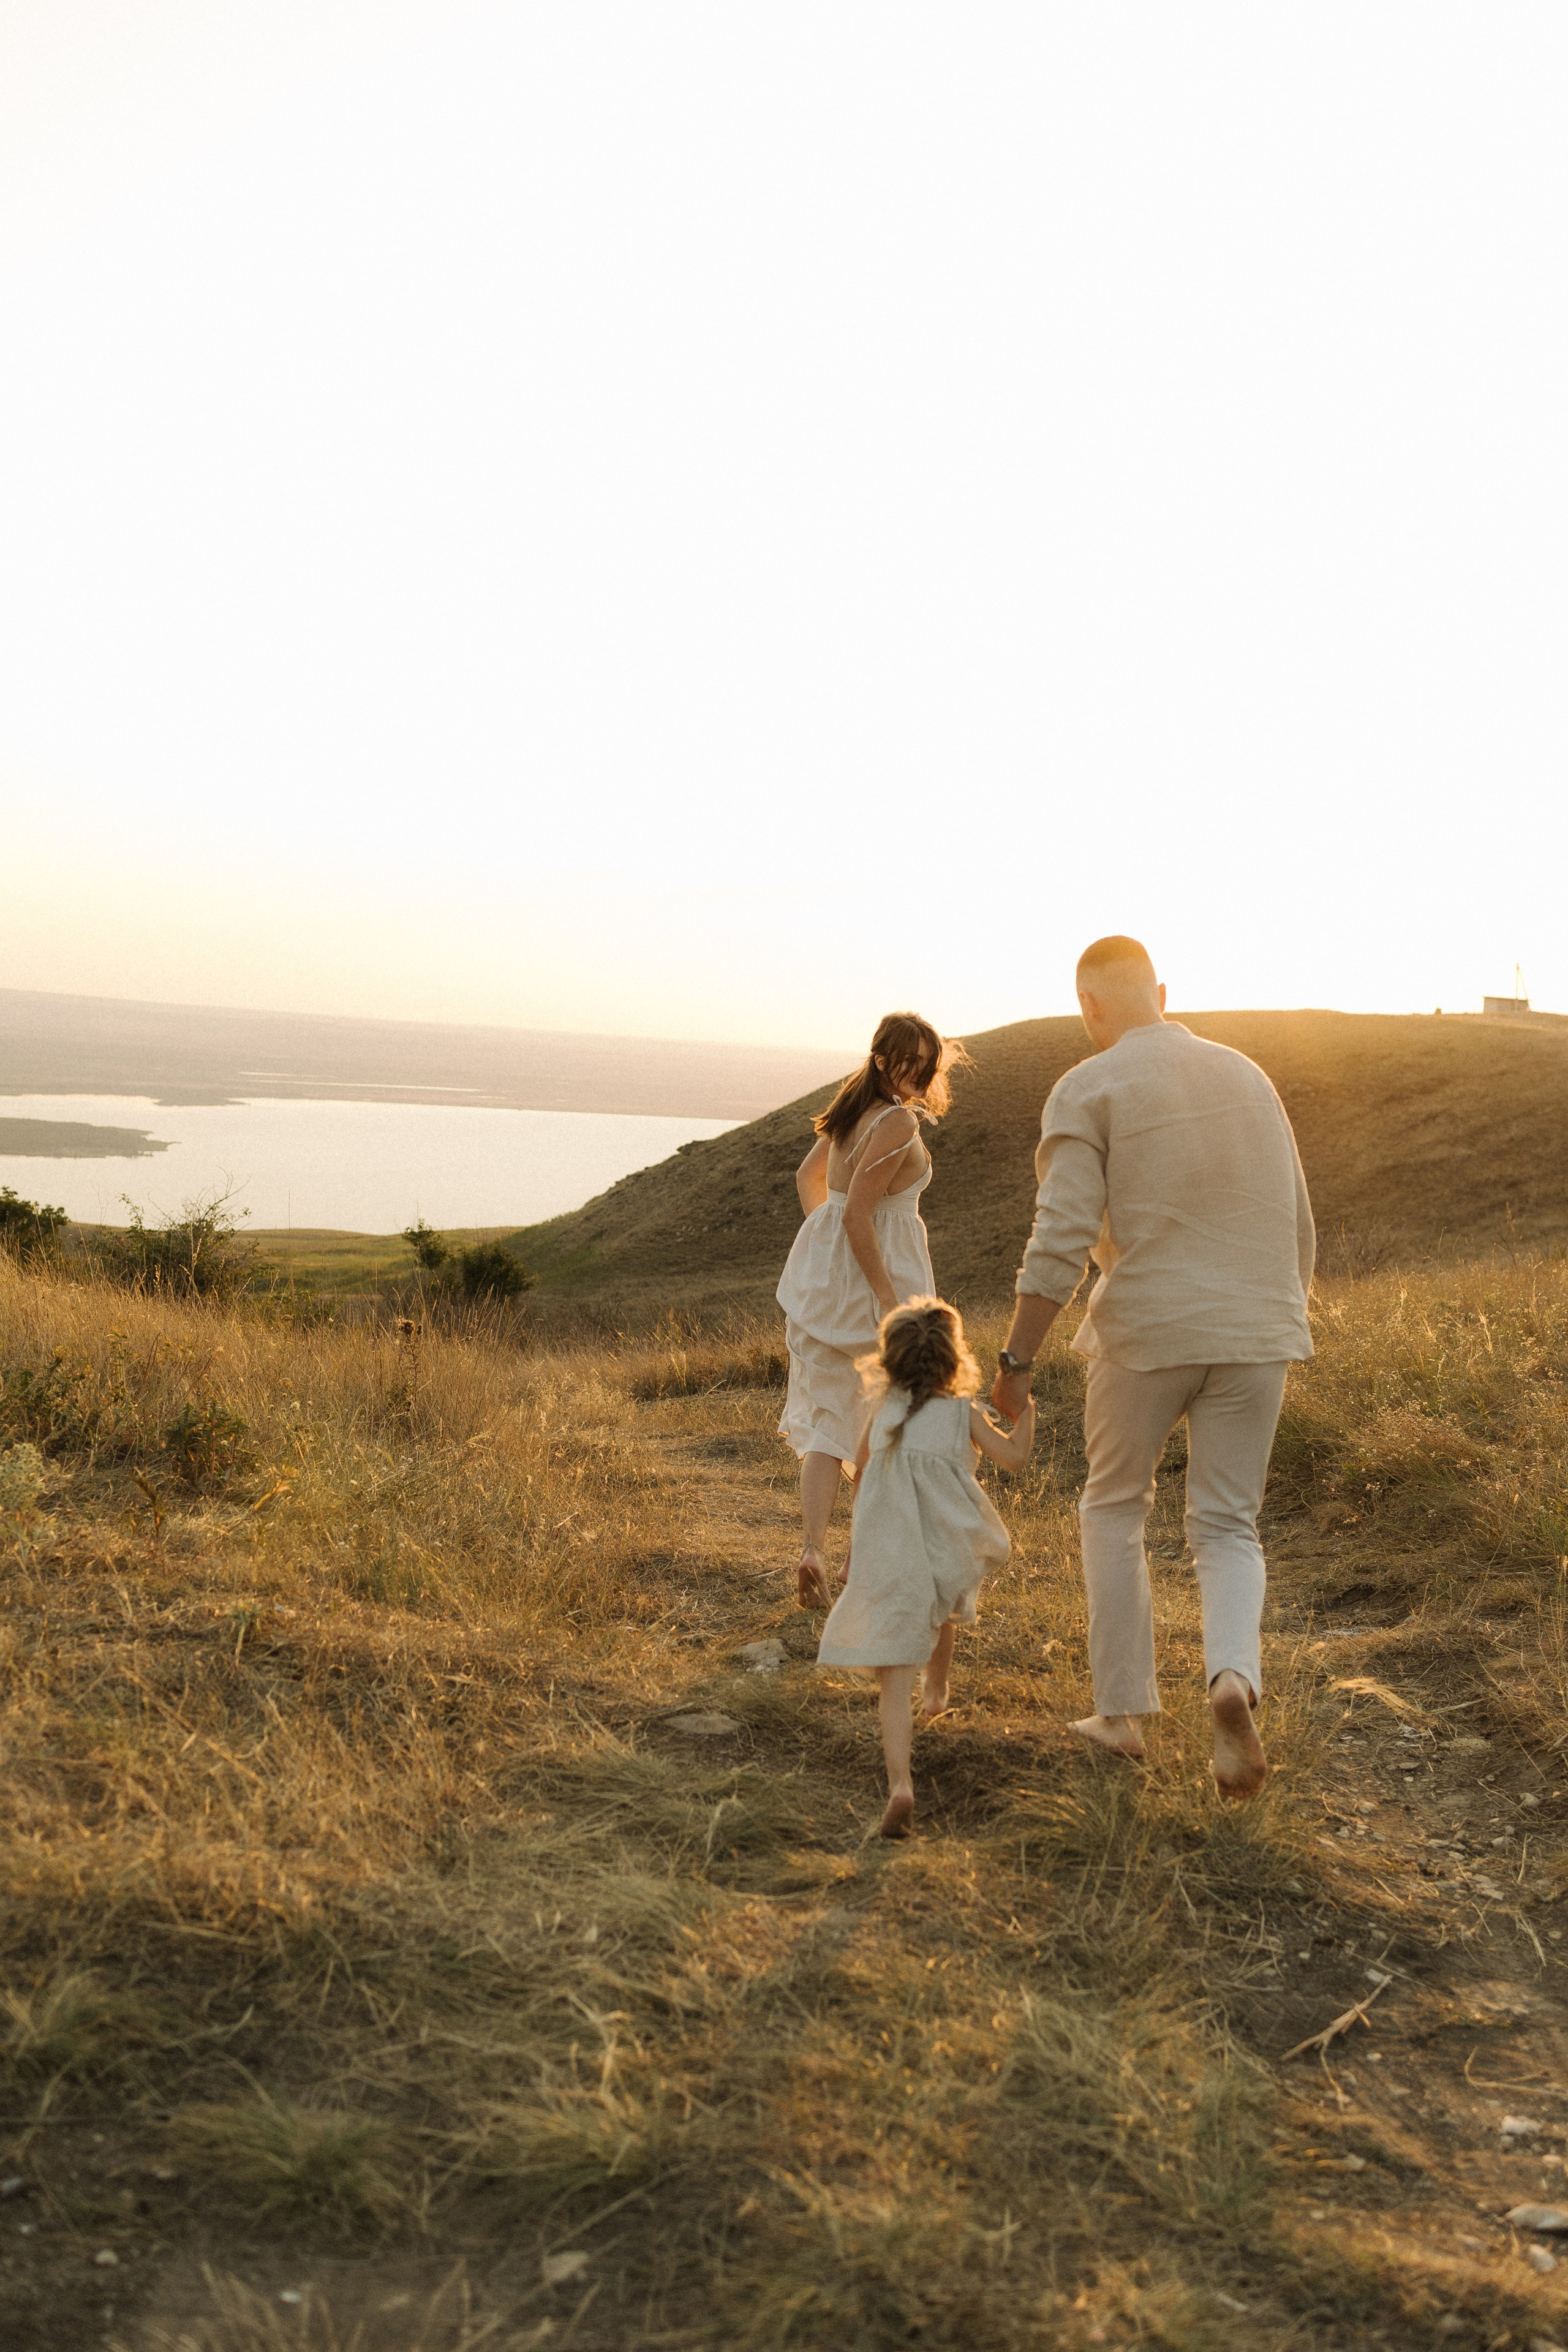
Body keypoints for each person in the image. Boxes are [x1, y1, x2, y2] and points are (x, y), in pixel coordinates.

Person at [990, 937, 1314, 1800]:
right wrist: (1280, 1311)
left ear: (1089, 1006)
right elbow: (1297, 1216)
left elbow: (1060, 1237)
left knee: (1113, 1505)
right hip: (1258, 1327)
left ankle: (1121, 1715)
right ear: (1161, 993)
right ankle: (1232, 1680)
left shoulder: (1088, 1086)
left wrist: (1017, 1361)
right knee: (1228, 1526)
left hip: (1145, 1330)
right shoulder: (1248, 1075)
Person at [777, 1012, 966, 1608]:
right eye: (910, 1061)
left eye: (928, 1064)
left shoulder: (854, 1108)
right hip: (880, 1282)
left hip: (828, 1284)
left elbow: (810, 1178)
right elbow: (860, 1213)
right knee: (882, 1424)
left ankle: (813, 1549)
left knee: (829, 1425)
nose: (921, 1073)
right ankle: (854, 1562)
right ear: (882, 1059)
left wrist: (825, 1246)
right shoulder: (897, 1121)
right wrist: (888, 1302)